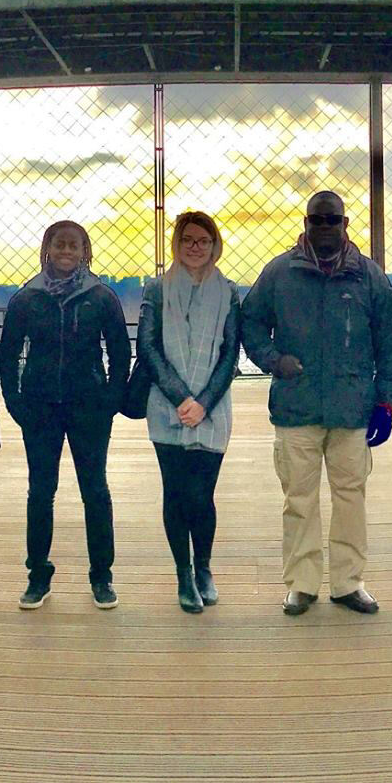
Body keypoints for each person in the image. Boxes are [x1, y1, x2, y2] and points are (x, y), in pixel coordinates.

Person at [241, 190, 392, 616]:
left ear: (346, 224)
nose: (325, 227)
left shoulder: (369, 277)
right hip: (297, 407)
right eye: (318, 220)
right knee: (299, 499)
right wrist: (273, 360)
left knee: (351, 497)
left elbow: (390, 342)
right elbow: (251, 322)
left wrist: (385, 403)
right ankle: (302, 583)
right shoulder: (280, 273)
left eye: (333, 220)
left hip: (352, 407)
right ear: (306, 223)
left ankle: (349, 582)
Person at [0, 220, 130, 610]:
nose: (66, 252)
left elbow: (120, 352)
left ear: (85, 251)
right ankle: (38, 576)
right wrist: (14, 402)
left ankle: (101, 576)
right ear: (47, 249)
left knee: (95, 491)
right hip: (39, 408)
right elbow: (8, 354)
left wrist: (110, 399)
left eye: (74, 246)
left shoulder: (101, 298)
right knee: (41, 491)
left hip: (89, 407)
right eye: (60, 245)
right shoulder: (27, 299)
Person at [136, 210, 241, 613]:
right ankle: (183, 573)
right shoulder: (157, 290)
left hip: (212, 409)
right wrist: (181, 398)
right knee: (176, 493)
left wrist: (204, 402)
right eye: (187, 240)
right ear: (176, 245)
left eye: (203, 241)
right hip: (167, 409)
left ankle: (204, 568)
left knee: (203, 495)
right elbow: (147, 347)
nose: (195, 247)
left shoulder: (228, 292)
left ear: (215, 246)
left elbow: (231, 353)